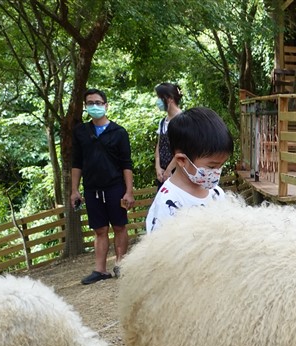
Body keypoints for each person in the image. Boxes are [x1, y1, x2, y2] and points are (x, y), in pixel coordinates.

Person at [70, 88, 135, 285]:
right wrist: (75, 190)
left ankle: (121, 265)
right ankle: (100, 270)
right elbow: (76, 163)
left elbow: (126, 163)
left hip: (115, 187)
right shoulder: (81, 132)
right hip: (92, 189)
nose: (94, 106)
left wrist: (129, 191)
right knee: (99, 229)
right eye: (90, 103)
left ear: (106, 105)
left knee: (119, 226)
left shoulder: (119, 132)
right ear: (85, 106)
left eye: (98, 102)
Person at [145, 107, 234, 234]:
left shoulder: (216, 193)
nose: (217, 172)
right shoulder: (167, 201)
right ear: (182, 160)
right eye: (212, 167)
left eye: (221, 165)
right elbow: (160, 249)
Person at [154, 82, 183, 185]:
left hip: (179, 174)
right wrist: (158, 167)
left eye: (159, 98)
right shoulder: (162, 122)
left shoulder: (183, 120)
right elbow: (159, 145)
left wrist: (169, 169)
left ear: (169, 98)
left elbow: (183, 149)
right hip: (163, 175)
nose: (157, 101)